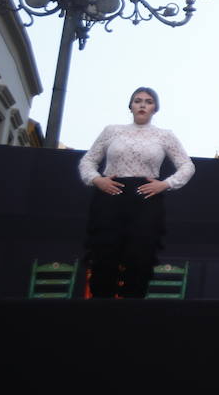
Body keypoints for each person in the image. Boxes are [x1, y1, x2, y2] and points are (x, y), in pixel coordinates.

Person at [78, 87, 194, 298]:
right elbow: (88, 160)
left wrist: (165, 184)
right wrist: (96, 180)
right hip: (110, 196)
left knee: (140, 256)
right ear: (130, 106)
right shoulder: (111, 130)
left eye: (148, 101)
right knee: (105, 254)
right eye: (137, 100)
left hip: (145, 198)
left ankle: (132, 310)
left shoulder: (164, 135)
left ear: (155, 108)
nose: (142, 105)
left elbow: (187, 166)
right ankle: (100, 309)